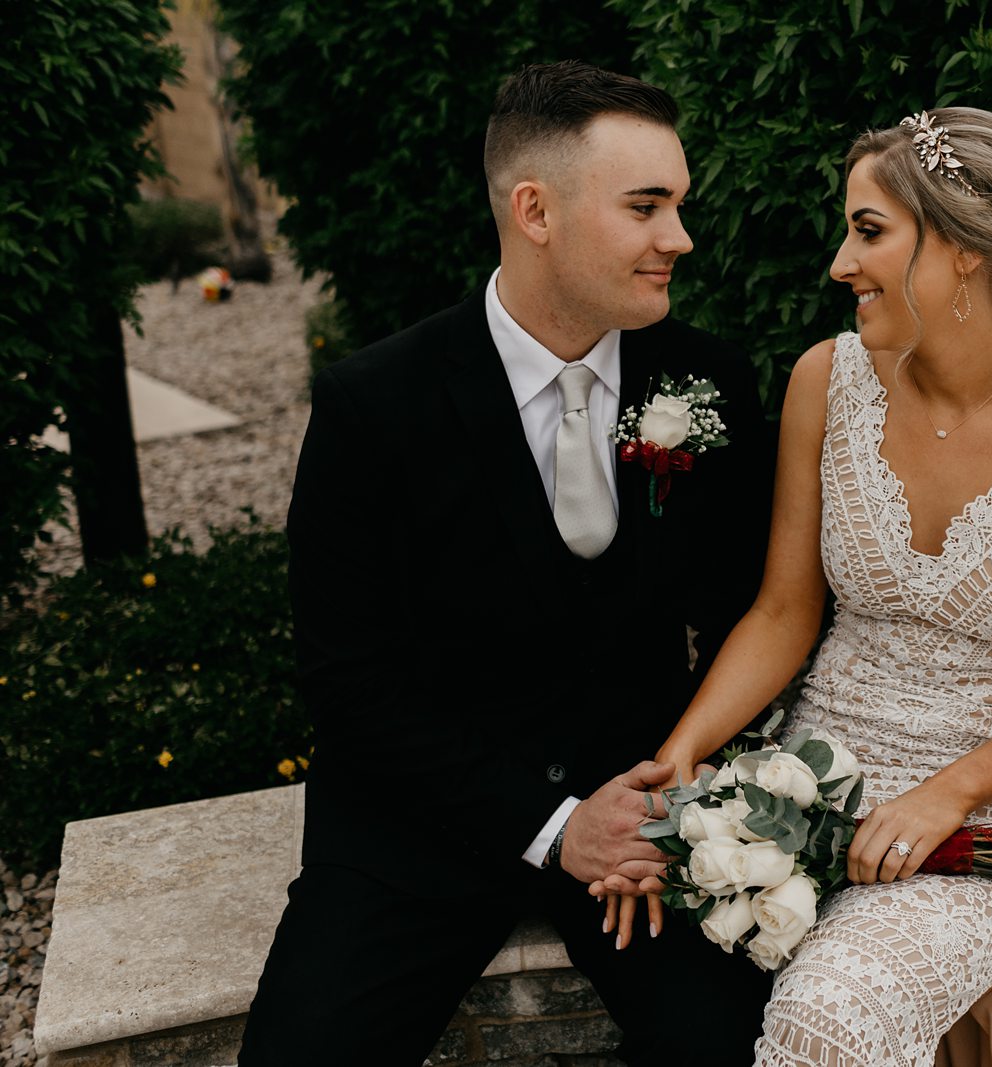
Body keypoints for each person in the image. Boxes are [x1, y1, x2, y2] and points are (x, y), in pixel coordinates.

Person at [627, 107, 992, 1064]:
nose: (838, 265)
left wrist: (951, 792)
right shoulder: (827, 379)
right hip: (817, 773)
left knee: (828, 1018)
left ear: (964, 251)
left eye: (868, 232)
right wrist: (688, 749)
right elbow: (784, 609)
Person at [237, 61, 775, 1066]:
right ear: (535, 209)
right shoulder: (374, 405)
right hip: (420, 830)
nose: (681, 239)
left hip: (642, 825)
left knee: (742, 1043)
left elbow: (754, 608)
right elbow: (348, 682)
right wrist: (547, 821)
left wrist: (679, 788)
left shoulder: (705, 380)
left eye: (679, 205)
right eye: (646, 206)